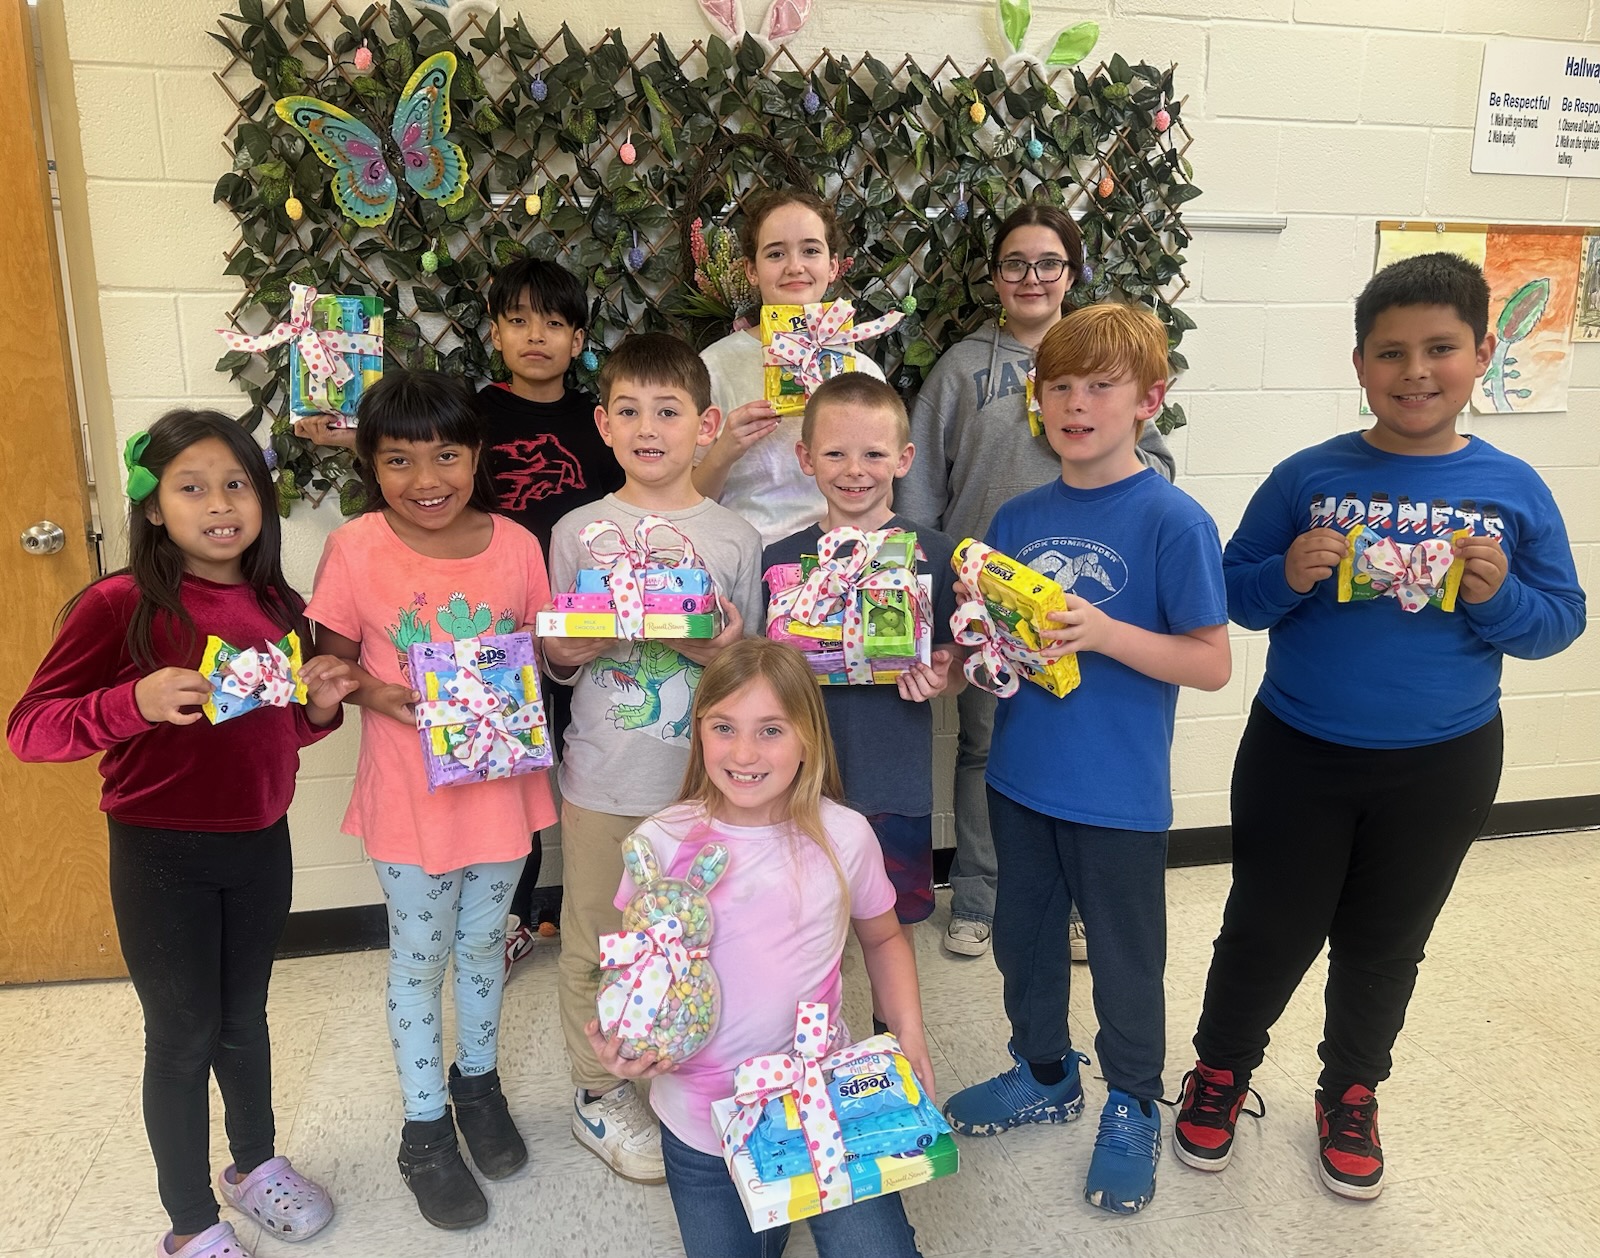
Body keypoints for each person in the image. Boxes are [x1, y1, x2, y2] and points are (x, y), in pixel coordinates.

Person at [1171, 252, 1587, 1200]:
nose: (1415, 372)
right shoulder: (1309, 475)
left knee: (1387, 939)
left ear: (1483, 352)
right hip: (1297, 753)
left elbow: (1562, 620)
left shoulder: (1513, 487)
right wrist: (1288, 576)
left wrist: (1500, 599)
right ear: (1359, 364)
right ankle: (1221, 1069)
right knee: (1266, 927)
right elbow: (1232, 593)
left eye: (1440, 348)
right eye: (1390, 352)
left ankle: (1351, 1088)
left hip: (1443, 763)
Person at [8, 411, 352, 1258]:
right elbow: (30, 729)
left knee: (246, 1016)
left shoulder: (281, 603)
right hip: (161, 853)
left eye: (237, 484)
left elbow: (282, 731)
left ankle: (254, 1164)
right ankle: (190, 1221)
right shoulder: (118, 603)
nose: (220, 504)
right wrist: (134, 702)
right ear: (154, 507)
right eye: (192, 487)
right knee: (183, 1032)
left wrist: (319, 707)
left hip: (261, 843)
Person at [939, 302, 1230, 1216]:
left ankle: (1134, 1101)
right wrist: (971, 630)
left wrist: (1105, 632)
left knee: (1123, 960)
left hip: (1118, 796)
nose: (1075, 403)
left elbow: (1212, 662)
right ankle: (1045, 1073)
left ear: (1150, 398)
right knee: (1023, 948)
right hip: (1021, 780)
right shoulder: (1019, 516)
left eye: (1099, 386)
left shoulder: (1172, 521)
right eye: (1058, 385)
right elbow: (1006, 657)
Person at [306, 370, 557, 1230]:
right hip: (409, 800)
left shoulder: (519, 546)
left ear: (477, 454)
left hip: (502, 794)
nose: (427, 479)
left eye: (447, 454)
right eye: (399, 460)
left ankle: (476, 1086)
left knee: (486, 948)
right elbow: (328, 676)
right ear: (371, 465)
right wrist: (374, 693)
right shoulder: (356, 547)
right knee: (420, 960)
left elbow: (544, 653)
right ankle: (423, 1131)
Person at [586, 638, 931, 1258]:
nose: (744, 753)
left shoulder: (844, 837)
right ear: (699, 732)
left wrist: (909, 1037)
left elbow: (883, 938)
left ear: (808, 737)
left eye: (770, 730)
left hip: (821, 1101)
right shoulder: (660, 841)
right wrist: (623, 1042)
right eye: (724, 728)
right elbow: (634, 972)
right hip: (699, 1124)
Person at [898, 204, 1176, 960]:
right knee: (987, 749)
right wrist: (934, 576)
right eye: (1015, 262)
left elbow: (1159, 466)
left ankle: (1078, 907)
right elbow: (919, 486)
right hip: (990, 607)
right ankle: (982, 898)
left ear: (1072, 273)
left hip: (1094, 604)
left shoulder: (1104, 359)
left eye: (1048, 262)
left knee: (1083, 743)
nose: (1031, 276)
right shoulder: (961, 369)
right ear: (994, 276)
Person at [543, 333, 764, 1184]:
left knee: (700, 936)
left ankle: (695, 1069)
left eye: (668, 411)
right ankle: (598, 1094)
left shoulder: (736, 539)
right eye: (628, 411)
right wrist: (576, 643)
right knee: (598, 939)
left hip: (702, 786)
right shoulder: (575, 531)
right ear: (602, 424)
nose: (649, 428)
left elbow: (748, 678)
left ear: (705, 425)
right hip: (601, 777)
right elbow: (558, 663)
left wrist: (719, 652)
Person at [761, 373, 963, 1030]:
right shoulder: (781, 561)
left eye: (874, 454)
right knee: (796, 933)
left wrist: (944, 674)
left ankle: (892, 1053)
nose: (855, 471)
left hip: (891, 781)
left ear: (903, 460)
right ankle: (799, 1058)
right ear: (805, 458)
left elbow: (956, 665)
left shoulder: (931, 555)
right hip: (797, 789)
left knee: (888, 928)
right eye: (836, 454)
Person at [477, 257, 623, 970]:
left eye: (555, 322)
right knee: (513, 774)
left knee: (593, 759)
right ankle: (512, 917)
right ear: (495, 333)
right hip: (500, 632)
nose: (536, 335)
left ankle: (614, 915)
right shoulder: (473, 416)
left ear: (579, 338)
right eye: (518, 320)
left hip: (589, 628)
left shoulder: (601, 419)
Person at [695, 186, 888, 546]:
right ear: (751, 270)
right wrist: (726, 449)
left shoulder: (862, 374)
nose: (795, 266)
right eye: (776, 253)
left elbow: (884, 499)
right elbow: (685, 500)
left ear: (832, 266)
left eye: (811, 250)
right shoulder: (715, 365)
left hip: (841, 558)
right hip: (744, 558)